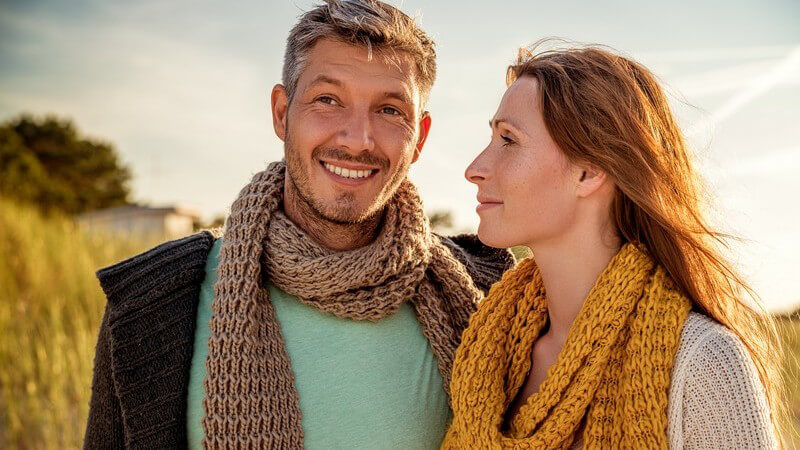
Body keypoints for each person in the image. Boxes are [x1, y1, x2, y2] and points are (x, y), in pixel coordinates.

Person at [82, 1, 515, 448]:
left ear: (419, 138)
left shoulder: (489, 297)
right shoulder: (153, 302)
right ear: (281, 112)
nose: (357, 140)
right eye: (327, 100)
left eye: (389, 110)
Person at [442, 42, 783, 449]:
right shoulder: (488, 352)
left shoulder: (703, 364)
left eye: (509, 140)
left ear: (589, 172)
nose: (475, 169)